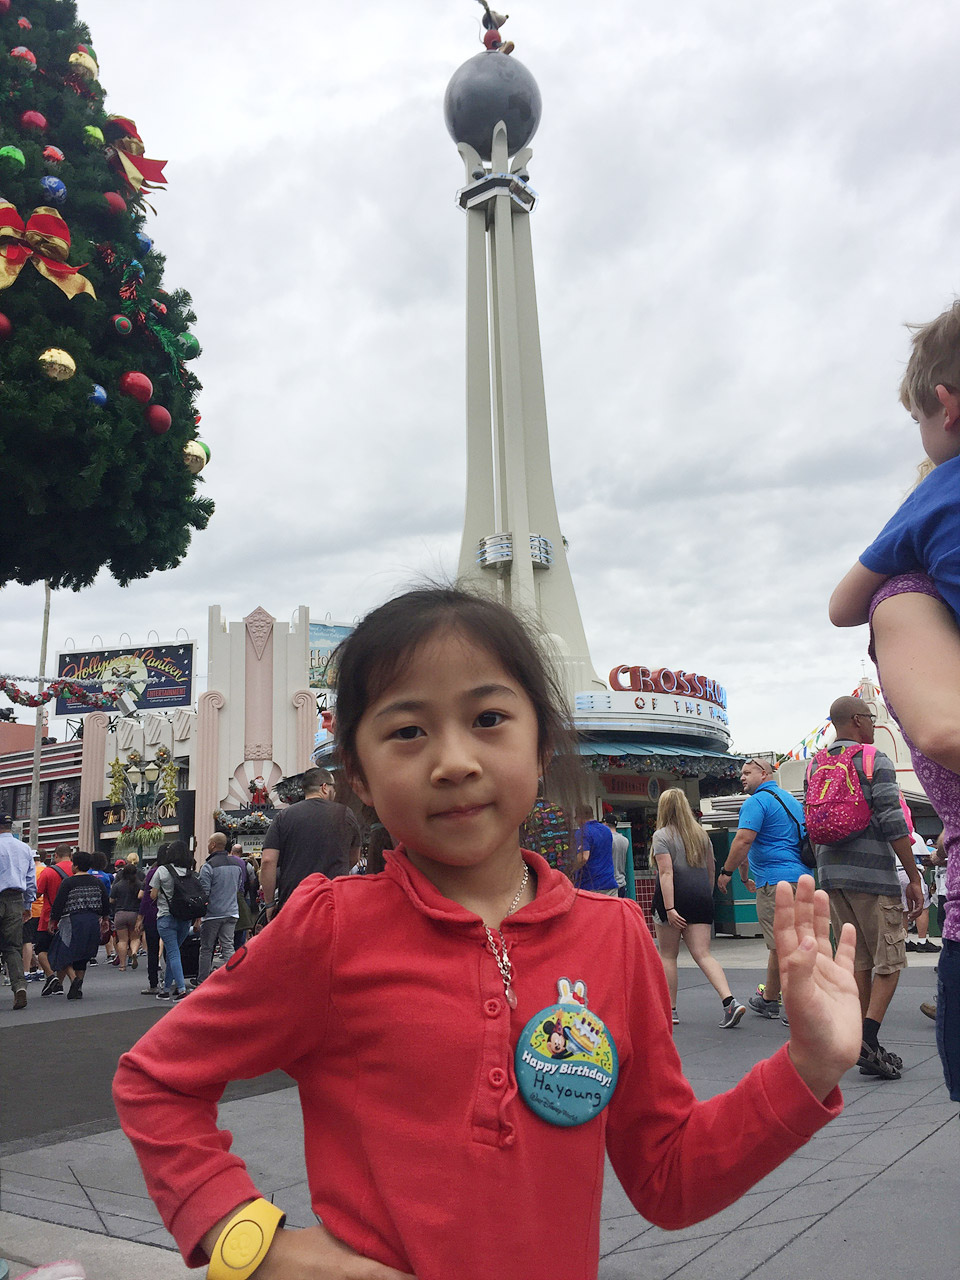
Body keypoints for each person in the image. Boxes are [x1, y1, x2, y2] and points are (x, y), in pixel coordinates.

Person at [114, 585, 863, 1280]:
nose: (454, 761)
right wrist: (256, 1246)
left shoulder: (614, 936)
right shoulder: (330, 927)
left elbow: (669, 1178)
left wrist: (807, 1067)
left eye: (489, 719)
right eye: (408, 730)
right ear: (359, 775)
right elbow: (156, 1080)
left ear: (542, 746)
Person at [805, 696, 924, 1081]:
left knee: (858, 959)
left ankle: (859, 1037)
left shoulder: (814, 765)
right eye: (870, 718)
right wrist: (913, 876)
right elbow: (893, 821)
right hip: (873, 877)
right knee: (891, 959)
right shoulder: (873, 760)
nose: (872, 724)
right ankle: (868, 1039)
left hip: (832, 877)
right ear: (857, 720)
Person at [718, 758, 807, 1025]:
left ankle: (795, 1006)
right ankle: (769, 999)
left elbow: (743, 840)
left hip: (775, 882)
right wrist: (746, 876)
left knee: (783, 945)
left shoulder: (756, 802)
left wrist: (727, 872)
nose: (742, 777)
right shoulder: (791, 801)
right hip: (802, 879)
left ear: (765, 773)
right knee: (783, 943)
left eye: (748, 772)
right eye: (741, 773)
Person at [650, 788, 746, 1029]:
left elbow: (666, 872)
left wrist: (670, 908)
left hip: (672, 900)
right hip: (700, 898)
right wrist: (707, 895)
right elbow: (710, 869)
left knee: (668, 955)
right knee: (703, 954)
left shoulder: (661, 836)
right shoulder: (701, 835)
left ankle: (670, 1009)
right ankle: (729, 1001)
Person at [260, 766, 360, 920]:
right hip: (333, 902)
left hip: (294, 903)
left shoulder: (283, 816)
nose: (335, 792)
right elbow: (354, 857)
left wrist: (269, 903)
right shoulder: (344, 814)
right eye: (333, 787)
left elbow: (267, 861)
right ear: (324, 787)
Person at [47, 849, 111, 1001]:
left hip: (72, 920)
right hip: (92, 920)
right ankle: (78, 987)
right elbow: (105, 902)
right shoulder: (97, 882)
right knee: (83, 954)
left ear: (75, 866)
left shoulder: (68, 882)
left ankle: (74, 978)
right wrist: (105, 919)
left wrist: (53, 920)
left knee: (62, 951)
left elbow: (59, 903)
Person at [150, 840, 198, 1002]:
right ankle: (165, 989)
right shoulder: (189, 872)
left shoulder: (162, 870)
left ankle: (181, 989)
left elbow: (153, 894)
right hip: (185, 917)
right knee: (174, 951)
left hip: (166, 916)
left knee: (172, 952)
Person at [0, 812, 37, 1010]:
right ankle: (19, 986)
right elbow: (31, 881)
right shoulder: (24, 849)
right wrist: (27, 905)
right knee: (12, 947)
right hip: (15, 900)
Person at [197, 834, 244, 982]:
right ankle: (234, 979)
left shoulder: (208, 866)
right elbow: (239, 887)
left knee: (206, 948)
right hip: (232, 911)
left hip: (213, 914)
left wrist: (198, 915)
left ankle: (203, 981)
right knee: (228, 947)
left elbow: (204, 892)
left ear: (213, 845)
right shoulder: (236, 865)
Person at [35, 843, 74, 996]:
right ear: (71, 855)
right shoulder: (76, 871)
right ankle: (59, 983)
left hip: (48, 916)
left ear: (55, 855)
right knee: (63, 949)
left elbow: (37, 893)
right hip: (71, 917)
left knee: (41, 950)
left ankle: (51, 977)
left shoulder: (48, 872)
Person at [136, 845, 169, 996]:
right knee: (172, 950)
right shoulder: (178, 871)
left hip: (153, 914)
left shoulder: (154, 872)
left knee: (153, 949)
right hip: (172, 914)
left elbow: (146, 897)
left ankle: (153, 983)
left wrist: (140, 918)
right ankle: (171, 980)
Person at [572, 805, 618, 895]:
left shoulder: (582, 832)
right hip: (609, 883)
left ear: (579, 817)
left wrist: (572, 869)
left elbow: (583, 857)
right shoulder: (606, 830)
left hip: (590, 885)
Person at [109, 860, 144, 971]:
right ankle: (134, 952)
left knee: (122, 940)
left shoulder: (118, 885)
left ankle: (122, 965)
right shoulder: (140, 885)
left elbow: (111, 900)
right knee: (135, 938)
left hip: (120, 914)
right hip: (134, 914)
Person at [604, 812, 629, 897]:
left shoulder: (606, 840)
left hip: (610, 884)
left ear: (605, 824)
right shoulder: (625, 840)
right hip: (622, 882)